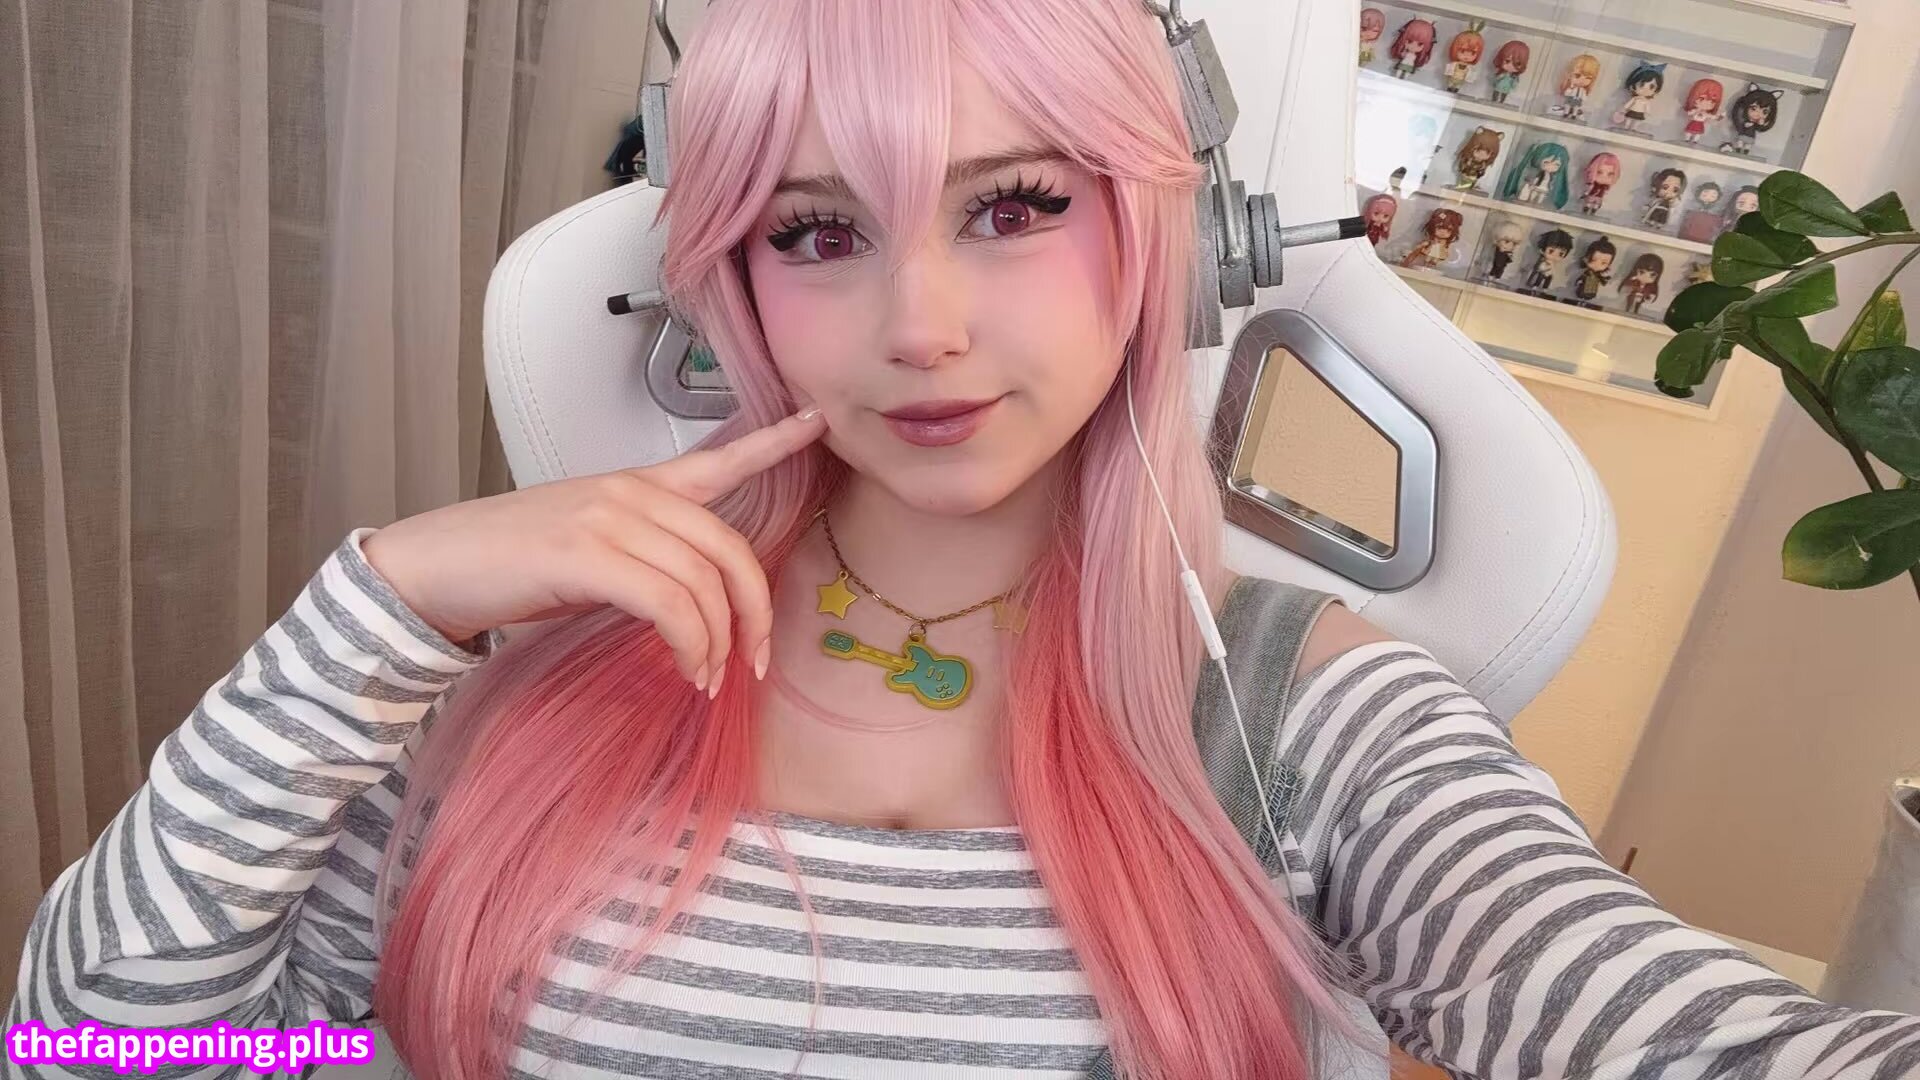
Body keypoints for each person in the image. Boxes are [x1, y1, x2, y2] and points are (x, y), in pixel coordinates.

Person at [11, 1, 1920, 1078]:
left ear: (1168, 243)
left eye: (1013, 206)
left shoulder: (1307, 723)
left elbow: (1687, 1033)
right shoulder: (528, 680)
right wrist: (378, 607)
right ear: (731, 280)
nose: (918, 325)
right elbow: (108, 1051)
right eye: (818, 232)